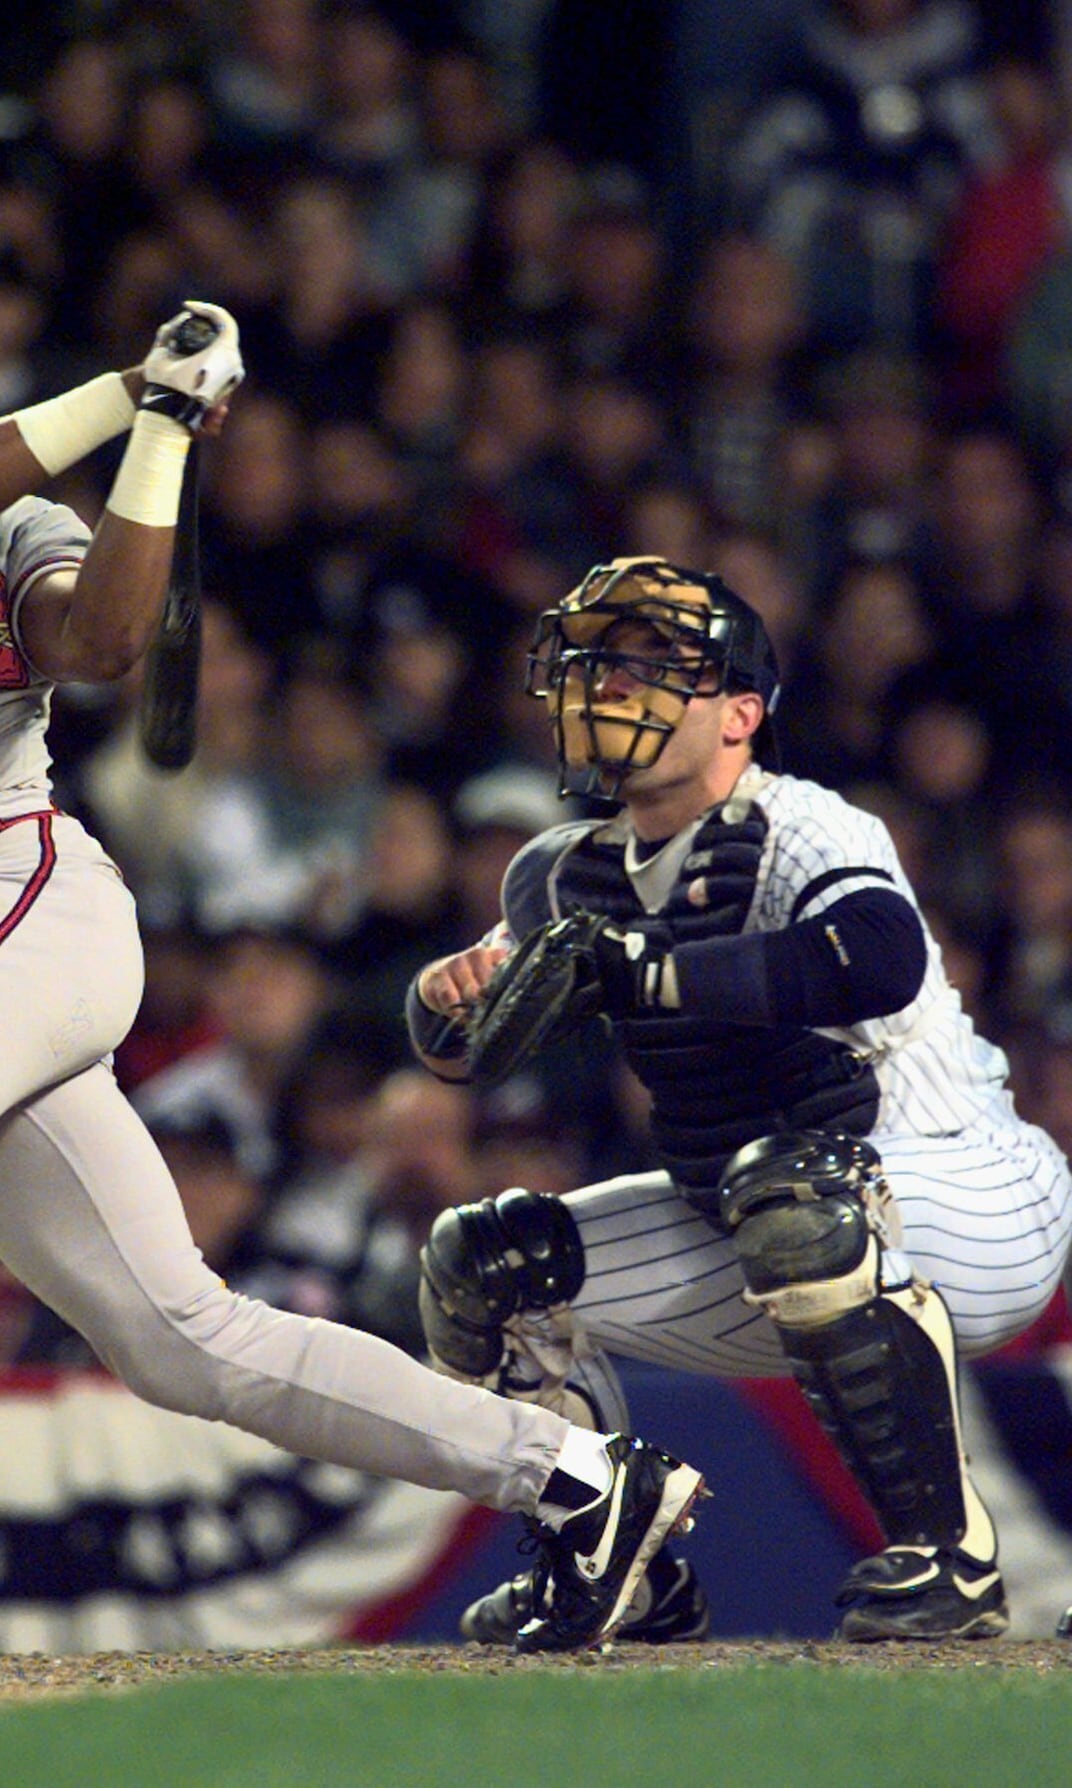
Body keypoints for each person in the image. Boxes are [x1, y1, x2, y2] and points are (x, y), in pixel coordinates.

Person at [0, 234, 706, 1667]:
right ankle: (583, 1480)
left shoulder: (10, 534)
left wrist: (161, 439)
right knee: (181, 1342)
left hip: (13, 890)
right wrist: (123, 391)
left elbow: (114, 634)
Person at [406, 555, 1072, 1643]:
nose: (609, 684)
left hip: (965, 1185)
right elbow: (456, 1047)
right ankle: (613, 1556)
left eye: (649, 662)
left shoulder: (804, 824)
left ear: (741, 713)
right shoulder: (559, 872)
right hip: (758, 1216)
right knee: (483, 1268)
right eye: (596, 660)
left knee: (797, 1196)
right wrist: (445, 997)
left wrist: (646, 970)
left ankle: (948, 1559)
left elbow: (874, 956)